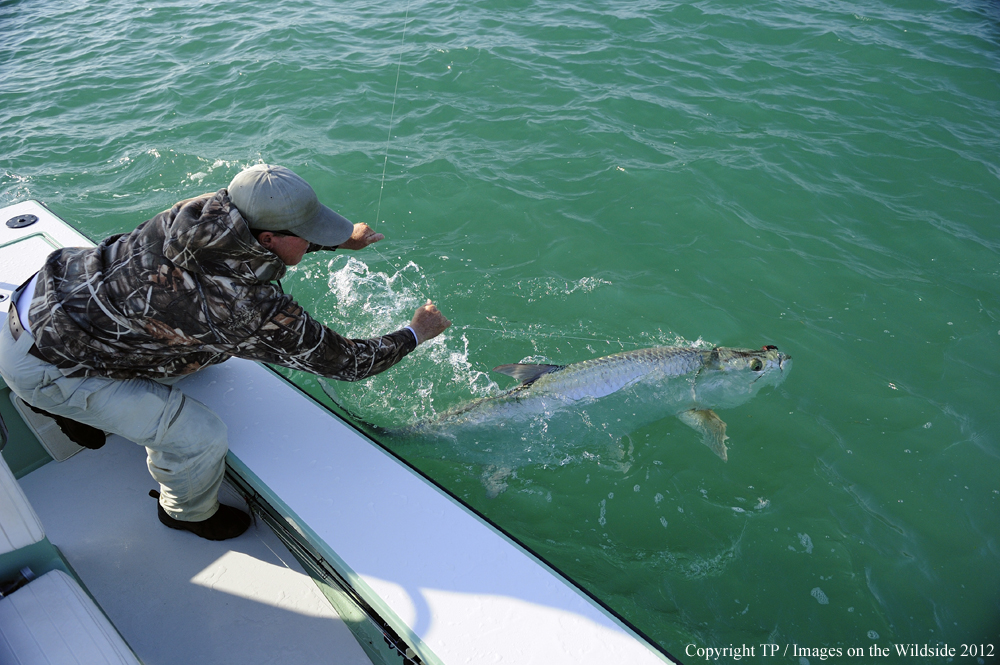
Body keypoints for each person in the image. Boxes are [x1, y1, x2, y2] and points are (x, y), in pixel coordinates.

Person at [0, 164, 451, 541]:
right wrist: (415, 332)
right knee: (199, 436)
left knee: (208, 352)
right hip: (46, 366)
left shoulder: (203, 209)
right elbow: (347, 363)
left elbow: (268, 241)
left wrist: (336, 238)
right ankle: (185, 514)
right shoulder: (243, 306)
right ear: (269, 239)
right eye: (307, 234)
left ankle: (73, 398)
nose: (315, 238)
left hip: (40, 298)